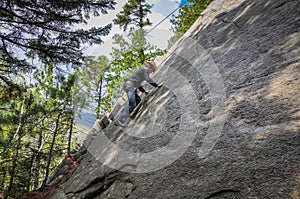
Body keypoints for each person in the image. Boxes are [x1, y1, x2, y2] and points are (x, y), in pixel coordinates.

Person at [115, 61, 162, 127]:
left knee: (138, 99)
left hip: (129, 85)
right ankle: (120, 120)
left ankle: (127, 113)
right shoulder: (145, 70)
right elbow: (148, 79)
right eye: (152, 70)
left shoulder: (140, 72)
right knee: (132, 102)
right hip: (130, 85)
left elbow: (138, 83)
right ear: (150, 67)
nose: (151, 72)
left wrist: (144, 91)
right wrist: (156, 85)